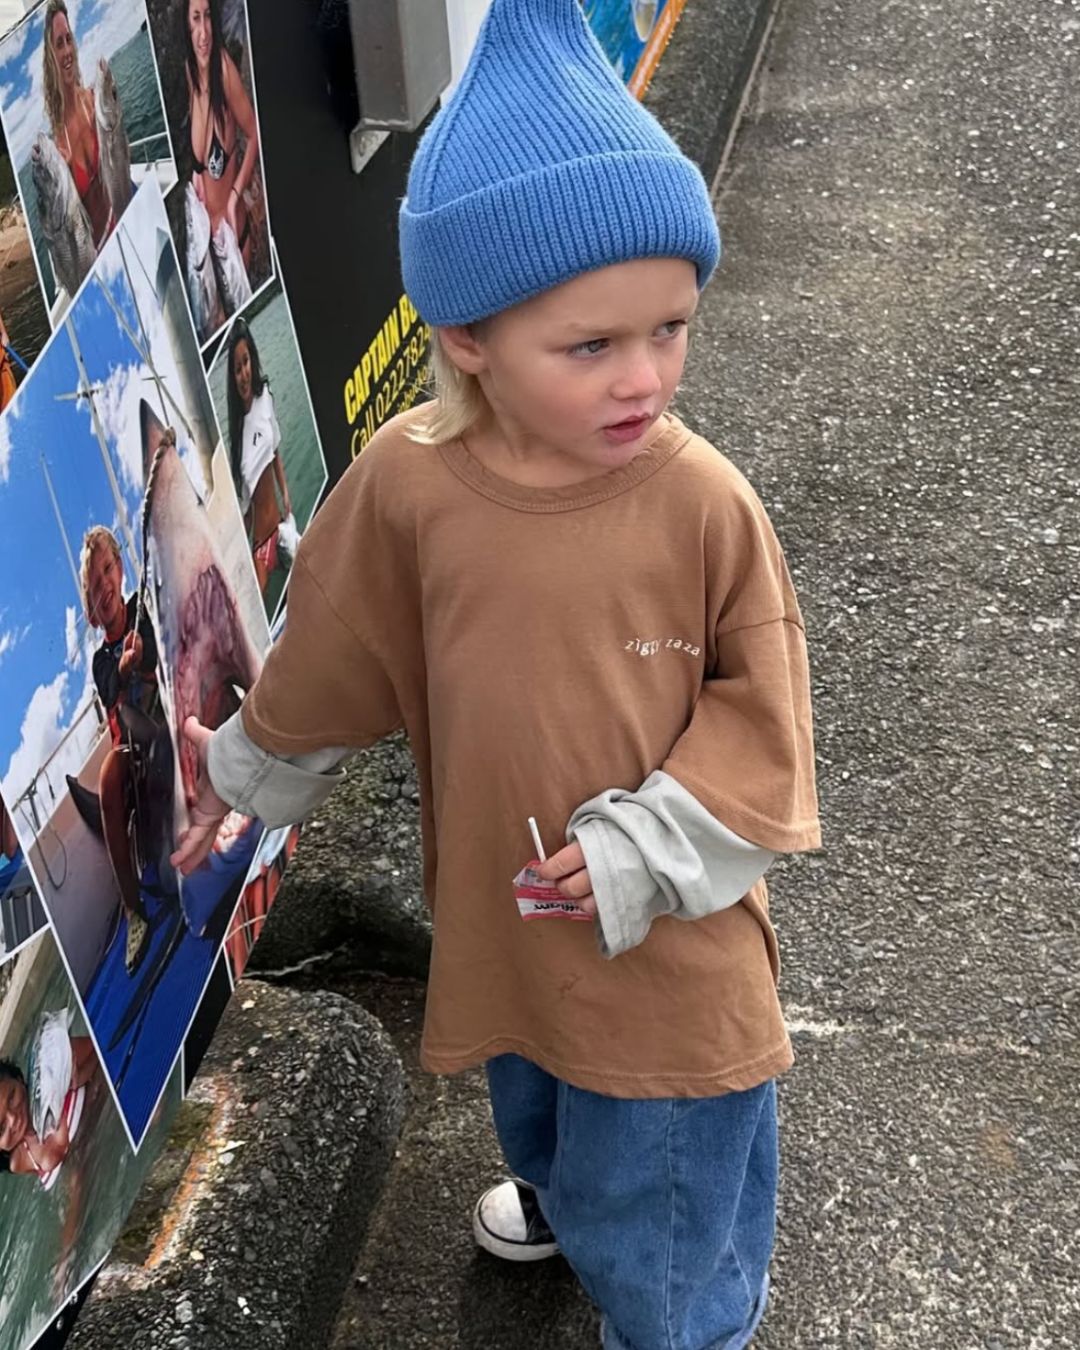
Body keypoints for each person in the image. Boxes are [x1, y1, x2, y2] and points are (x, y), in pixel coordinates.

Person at [172, 2, 821, 1346]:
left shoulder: (703, 504)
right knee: (532, 1084)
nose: (645, 376)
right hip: (510, 903)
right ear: (466, 337)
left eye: (670, 327)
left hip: (669, 946)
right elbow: (338, 644)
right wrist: (243, 773)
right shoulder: (410, 486)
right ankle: (564, 1196)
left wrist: (647, 845)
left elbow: (767, 721)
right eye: (591, 345)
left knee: (672, 1186)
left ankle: (678, 1318)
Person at [81, 527, 160, 974]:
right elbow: (110, 685)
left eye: (108, 570)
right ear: (92, 611)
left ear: (121, 568)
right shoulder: (98, 659)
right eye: (94, 587)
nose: (105, 586)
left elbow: (156, 654)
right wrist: (123, 665)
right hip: (132, 751)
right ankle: (134, 913)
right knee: (108, 776)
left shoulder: (142, 609)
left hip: (165, 720)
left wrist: (143, 658)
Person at [184, 0, 260, 273]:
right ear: (186, 24)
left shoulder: (224, 70)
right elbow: (201, 146)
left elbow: (254, 136)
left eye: (207, 17)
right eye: (195, 19)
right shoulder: (190, 70)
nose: (204, 32)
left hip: (232, 245)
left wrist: (235, 197)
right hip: (206, 248)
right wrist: (197, 171)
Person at [226, 317, 294, 593]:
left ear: (252, 361)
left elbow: (275, 450)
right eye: (237, 368)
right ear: (231, 377)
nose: (243, 373)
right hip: (261, 549)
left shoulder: (265, 397)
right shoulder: (237, 440)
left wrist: (286, 492)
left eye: (246, 362)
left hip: (282, 529)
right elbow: (245, 511)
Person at [42, 0, 112, 249]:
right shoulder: (58, 147)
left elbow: (121, 161)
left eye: (68, 39)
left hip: (126, 214)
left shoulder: (95, 102)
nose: (67, 50)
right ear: (51, 57)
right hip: (99, 250)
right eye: (59, 44)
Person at [0, 1030, 98, 1182]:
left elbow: (101, 1048)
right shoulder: (18, 1160)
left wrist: (80, 1075)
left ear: (18, 1078)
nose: (13, 1119)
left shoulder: (52, 1065)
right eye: (1, 1128)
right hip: (83, 1164)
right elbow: (58, 1158)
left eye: (11, 1097)